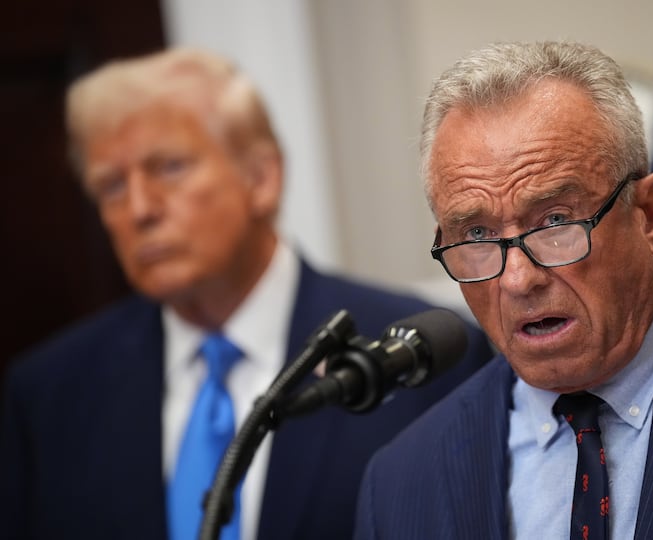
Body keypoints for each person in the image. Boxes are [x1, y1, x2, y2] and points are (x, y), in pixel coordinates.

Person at [0, 47, 494, 540]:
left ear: (262, 178)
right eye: (110, 186)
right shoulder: (49, 394)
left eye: (168, 167)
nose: (139, 209)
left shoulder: (421, 358)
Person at [354, 41, 653, 540]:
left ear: (648, 215)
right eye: (476, 236)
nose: (518, 279)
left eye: (556, 220)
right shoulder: (401, 482)